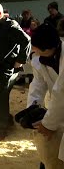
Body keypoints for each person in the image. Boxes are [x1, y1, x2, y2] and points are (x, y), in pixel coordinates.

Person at [0, 3, 31, 141]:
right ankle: (7, 119)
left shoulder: (9, 25)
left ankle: (2, 130)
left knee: (2, 99)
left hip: (7, 69)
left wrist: (20, 60)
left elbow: (26, 40)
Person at [28, 23, 64, 169]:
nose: (34, 52)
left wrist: (48, 124)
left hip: (60, 102)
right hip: (58, 106)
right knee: (49, 156)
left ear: (49, 49)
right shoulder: (39, 59)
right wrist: (33, 109)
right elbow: (37, 84)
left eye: (37, 50)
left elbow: (61, 91)